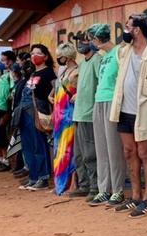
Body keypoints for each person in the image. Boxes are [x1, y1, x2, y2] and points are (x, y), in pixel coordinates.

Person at [110, 13, 147, 218]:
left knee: (145, 153)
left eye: (128, 27)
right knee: (129, 151)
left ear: (137, 30)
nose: (125, 31)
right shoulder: (124, 52)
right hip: (124, 110)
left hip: (143, 111)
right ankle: (135, 196)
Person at [86, 24, 127, 208]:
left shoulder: (119, 52)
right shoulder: (102, 58)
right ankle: (104, 189)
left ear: (99, 37)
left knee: (113, 148)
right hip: (99, 100)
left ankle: (117, 189)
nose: (91, 42)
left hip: (112, 101)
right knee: (101, 148)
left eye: (92, 38)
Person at [18, 44, 56, 191]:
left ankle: (43, 178)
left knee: (39, 145)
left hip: (38, 113)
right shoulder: (33, 74)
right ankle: (33, 177)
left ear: (45, 56)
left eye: (38, 53)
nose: (34, 56)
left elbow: (55, 91)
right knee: (28, 146)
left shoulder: (49, 73)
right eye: (32, 53)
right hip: (24, 113)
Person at [70, 34, 101, 202]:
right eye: (79, 41)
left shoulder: (97, 60)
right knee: (79, 154)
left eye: (84, 40)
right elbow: (75, 80)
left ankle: (95, 187)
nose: (81, 44)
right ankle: (84, 185)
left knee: (90, 153)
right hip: (79, 113)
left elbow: (100, 84)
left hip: (89, 114)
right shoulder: (83, 63)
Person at [49, 43, 79, 196]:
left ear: (66, 57)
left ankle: (73, 183)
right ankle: (60, 183)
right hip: (59, 115)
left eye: (59, 56)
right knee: (59, 150)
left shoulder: (77, 72)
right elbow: (57, 87)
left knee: (70, 150)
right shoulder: (63, 71)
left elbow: (79, 91)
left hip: (69, 115)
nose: (58, 59)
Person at [11, 61, 35, 180]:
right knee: (25, 145)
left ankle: (36, 174)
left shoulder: (34, 79)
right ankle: (29, 170)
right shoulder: (25, 81)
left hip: (31, 114)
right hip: (22, 114)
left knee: (34, 145)